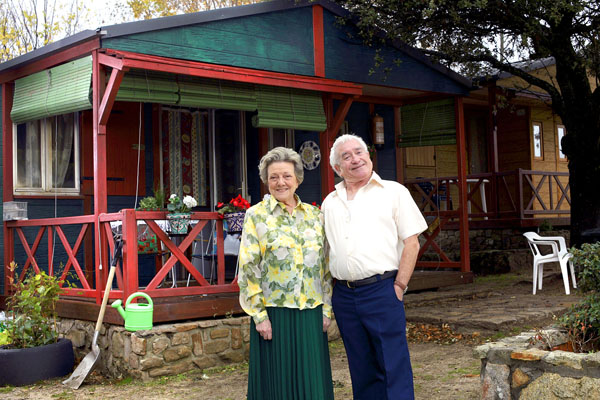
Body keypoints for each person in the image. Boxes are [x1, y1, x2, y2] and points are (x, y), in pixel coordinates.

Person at [321, 134, 428, 400]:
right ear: (337, 168)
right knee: (361, 367)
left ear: (369, 156)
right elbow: (323, 251)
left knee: (393, 365)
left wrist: (400, 286)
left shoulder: (393, 192)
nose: (355, 159)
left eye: (359, 152)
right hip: (344, 295)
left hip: (382, 290)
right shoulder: (329, 203)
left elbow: (412, 243)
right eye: (346, 156)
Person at [238, 146, 334, 400]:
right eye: (273, 177)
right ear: (266, 181)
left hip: (311, 313)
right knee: (277, 385)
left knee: (311, 383)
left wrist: (326, 310)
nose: (280, 182)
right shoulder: (256, 216)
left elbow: (324, 266)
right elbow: (248, 268)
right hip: (274, 314)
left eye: (286, 176)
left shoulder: (316, 216)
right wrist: (259, 316)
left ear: (298, 179)